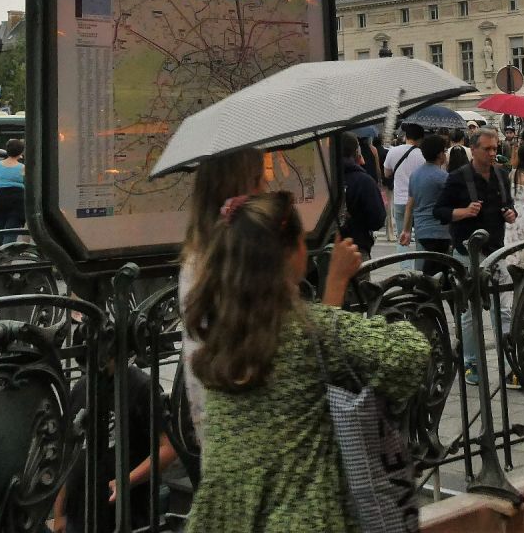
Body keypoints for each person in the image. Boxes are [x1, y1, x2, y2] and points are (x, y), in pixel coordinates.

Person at [182, 191, 428, 532]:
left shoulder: (223, 332)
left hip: (230, 515)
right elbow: (411, 352)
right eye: (302, 240)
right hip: (302, 513)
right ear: (287, 254)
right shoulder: (308, 331)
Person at [178, 147, 267, 446]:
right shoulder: (236, 262)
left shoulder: (197, 258)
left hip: (216, 431)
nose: (265, 189)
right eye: (258, 180)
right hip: (250, 435)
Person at [52, 360, 177, 533]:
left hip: (126, 513)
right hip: (79, 514)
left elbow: (168, 448)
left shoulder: (142, 387)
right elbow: (68, 454)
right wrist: (59, 513)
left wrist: (126, 481)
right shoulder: (81, 388)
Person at [435, 128, 517, 383]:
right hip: (467, 254)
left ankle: (509, 366)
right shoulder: (458, 177)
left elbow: (509, 204)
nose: (493, 153)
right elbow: (440, 211)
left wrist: (510, 213)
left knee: (503, 311)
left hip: (496, 251)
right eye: (487, 149)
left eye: (495, 148)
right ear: (474, 149)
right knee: (470, 313)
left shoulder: (501, 174)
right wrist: (463, 212)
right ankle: (471, 362)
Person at [399, 134, 452, 273]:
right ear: (440, 154)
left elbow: (410, 204)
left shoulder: (415, 175)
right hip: (440, 230)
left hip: (421, 229)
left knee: (434, 266)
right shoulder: (443, 177)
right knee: (438, 269)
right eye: (444, 151)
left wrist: (406, 230)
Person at [339, 132, 386, 255]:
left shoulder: (322, 178)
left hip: (324, 250)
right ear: (356, 152)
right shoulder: (364, 181)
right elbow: (378, 219)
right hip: (356, 246)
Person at [383, 122, 426, 247]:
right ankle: (420, 259)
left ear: (406, 136)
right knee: (420, 238)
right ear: (421, 139)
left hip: (400, 199)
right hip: (418, 200)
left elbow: (387, 173)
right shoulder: (423, 155)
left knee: (402, 237)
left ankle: (404, 260)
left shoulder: (393, 151)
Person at [0, 138, 26, 243]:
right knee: (12, 230)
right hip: (17, 201)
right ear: (21, 152)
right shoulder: (22, 167)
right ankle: (8, 249)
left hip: (0, 199)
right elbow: (26, 182)